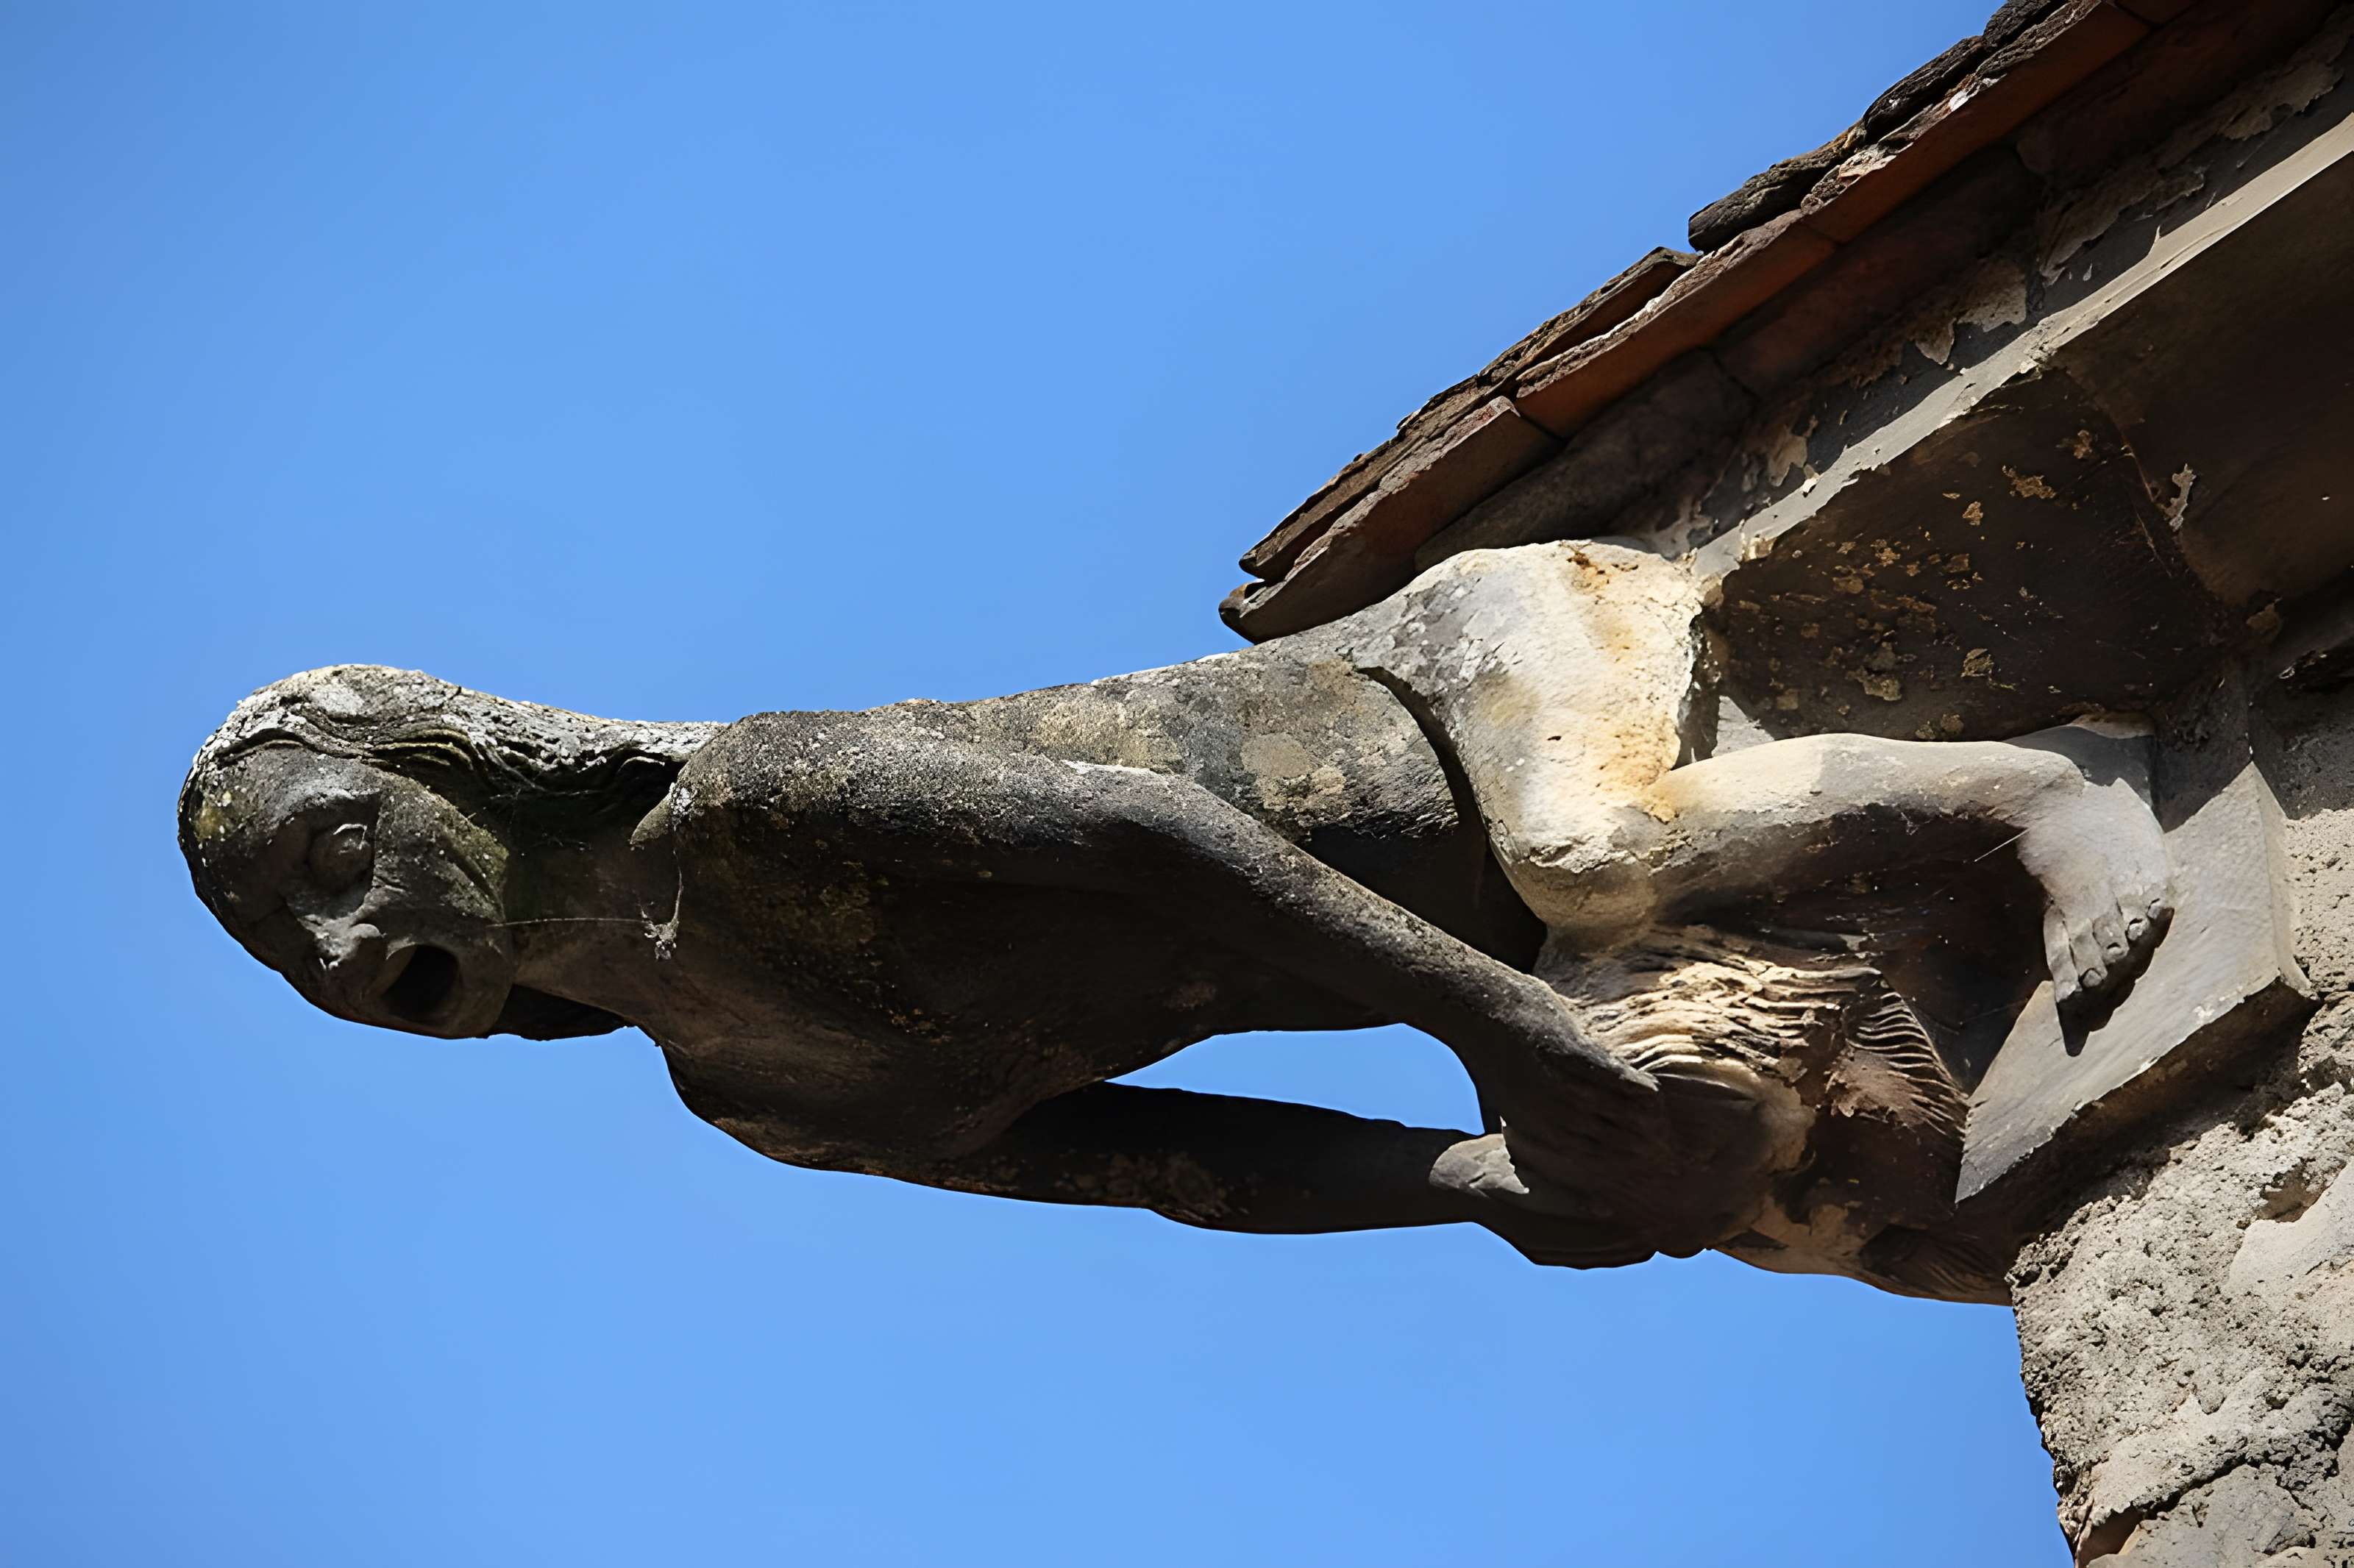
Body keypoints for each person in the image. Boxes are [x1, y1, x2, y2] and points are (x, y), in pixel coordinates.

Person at [179, 541, 2169, 1288]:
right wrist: (1479, 1183)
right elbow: (1177, 1166)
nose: (342, 951)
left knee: (1592, 850)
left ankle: (2042, 791)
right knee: (1743, 1193)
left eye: (334, 860)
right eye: (291, 949)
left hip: (1469, 680)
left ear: (447, 774)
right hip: (1491, 963)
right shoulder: (762, 1096)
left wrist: (1494, 1029)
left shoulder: (751, 806)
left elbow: (1148, 839)